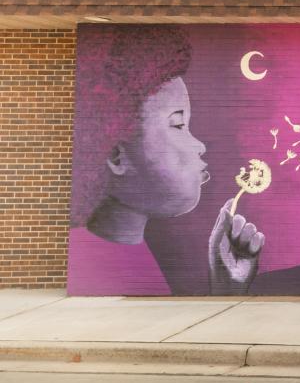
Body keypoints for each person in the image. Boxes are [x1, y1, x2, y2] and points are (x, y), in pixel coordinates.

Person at [69, 25, 265, 295]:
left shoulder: (131, 255)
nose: (199, 145)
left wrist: (227, 286)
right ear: (116, 155)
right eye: (178, 124)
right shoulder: (108, 269)